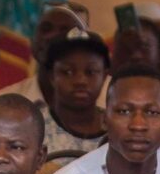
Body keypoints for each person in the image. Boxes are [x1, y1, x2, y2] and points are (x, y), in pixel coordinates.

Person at [31, 29, 112, 166]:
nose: (80, 80)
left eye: (90, 72)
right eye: (67, 72)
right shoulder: (34, 128)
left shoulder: (116, 129)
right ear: (52, 76)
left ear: (104, 76)